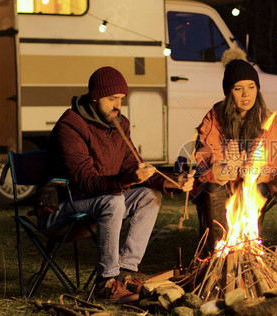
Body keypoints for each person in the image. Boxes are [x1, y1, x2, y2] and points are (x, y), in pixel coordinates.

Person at [40, 66, 194, 303]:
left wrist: (172, 182)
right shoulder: (70, 126)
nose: (117, 105)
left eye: (120, 99)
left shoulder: (119, 124)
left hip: (99, 199)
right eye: (112, 99)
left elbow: (134, 163)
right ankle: (106, 283)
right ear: (94, 97)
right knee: (113, 200)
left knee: (149, 196)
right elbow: (85, 180)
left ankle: (125, 272)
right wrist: (126, 180)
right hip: (64, 205)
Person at [195, 48, 277, 251]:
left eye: (251, 87)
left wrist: (254, 172)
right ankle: (220, 252)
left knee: (253, 190)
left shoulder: (267, 120)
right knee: (213, 190)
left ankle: (248, 250)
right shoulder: (215, 118)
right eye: (238, 88)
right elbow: (207, 156)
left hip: (253, 182)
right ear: (228, 92)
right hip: (222, 181)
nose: (246, 95)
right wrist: (224, 168)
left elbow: (272, 165)